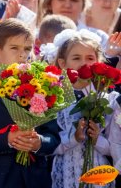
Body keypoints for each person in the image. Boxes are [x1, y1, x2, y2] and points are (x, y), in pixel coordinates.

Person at [0, 18, 60, 188]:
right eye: (14, 48)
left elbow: (53, 136)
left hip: (36, 178)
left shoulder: (42, 87)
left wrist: (39, 142)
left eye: (27, 49)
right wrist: (7, 139)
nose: (22, 55)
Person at [51, 30, 116, 188]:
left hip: (98, 176)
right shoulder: (54, 98)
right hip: (67, 174)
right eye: (76, 58)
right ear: (62, 63)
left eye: (90, 58)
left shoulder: (107, 99)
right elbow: (48, 145)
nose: (84, 63)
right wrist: (74, 138)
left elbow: (114, 147)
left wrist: (96, 140)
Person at [42, 0, 109, 47]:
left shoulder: (100, 39)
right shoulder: (37, 37)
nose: (67, 5)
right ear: (50, 2)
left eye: (74, 0)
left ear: (83, 5)